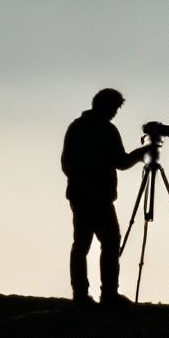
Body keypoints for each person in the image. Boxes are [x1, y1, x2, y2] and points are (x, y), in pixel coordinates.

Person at [61, 88, 154, 308]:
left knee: (81, 244)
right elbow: (121, 162)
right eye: (114, 108)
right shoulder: (106, 130)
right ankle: (109, 294)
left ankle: (81, 295)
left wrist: (80, 180)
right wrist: (141, 154)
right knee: (110, 243)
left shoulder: (76, 127)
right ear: (107, 106)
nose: (114, 113)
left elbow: (66, 163)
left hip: (79, 195)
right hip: (98, 197)